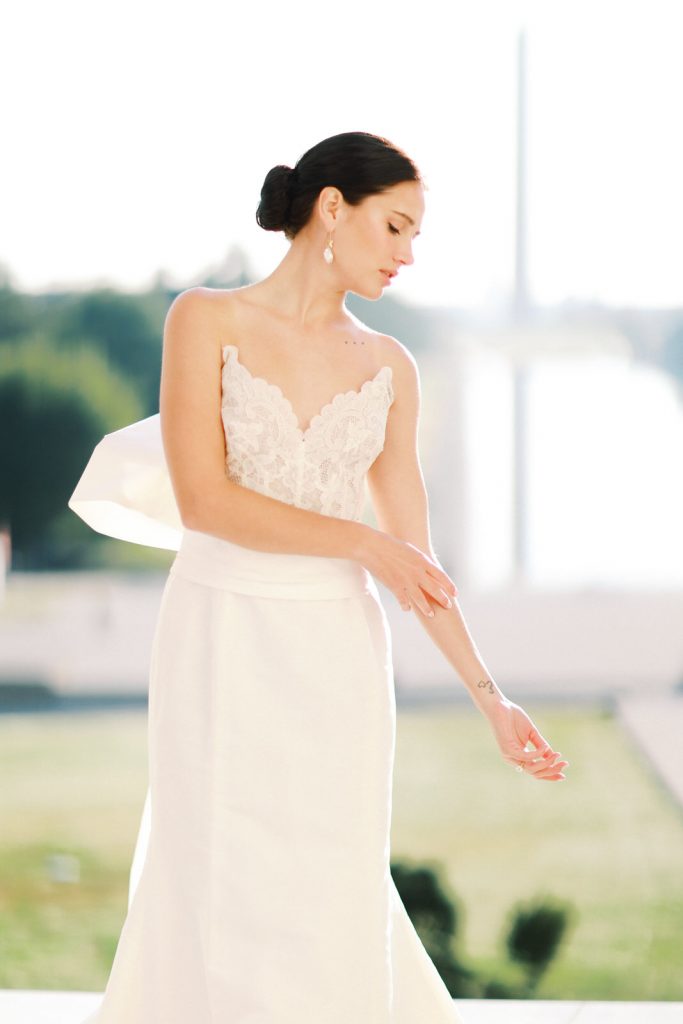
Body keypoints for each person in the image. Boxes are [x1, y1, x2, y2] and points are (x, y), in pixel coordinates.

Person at [69, 130, 568, 1023]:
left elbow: (417, 562)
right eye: (395, 227)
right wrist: (361, 543)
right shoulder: (204, 319)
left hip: (336, 651)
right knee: (212, 869)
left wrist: (492, 699)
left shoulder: (388, 368)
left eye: (415, 237)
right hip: (217, 633)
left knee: (327, 877)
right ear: (331, 208)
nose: (408, 254)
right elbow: (207, 501)